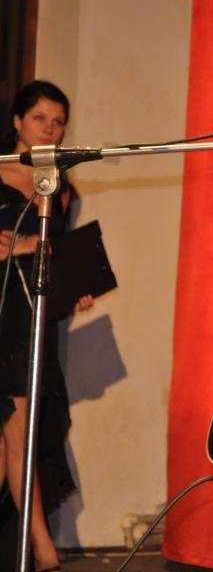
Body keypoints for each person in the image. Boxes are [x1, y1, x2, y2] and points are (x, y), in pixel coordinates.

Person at [0, 80, 93, 571]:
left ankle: (39, 549)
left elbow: (56, 253)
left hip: (30, 318)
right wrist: (21, 247)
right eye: (40, 118)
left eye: (58, 122)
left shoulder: (60, 185)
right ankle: (44, 551)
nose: (50, 130)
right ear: (17, 121)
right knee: (15, 434)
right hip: (3, 313)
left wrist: (73, 286)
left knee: (15, 436)